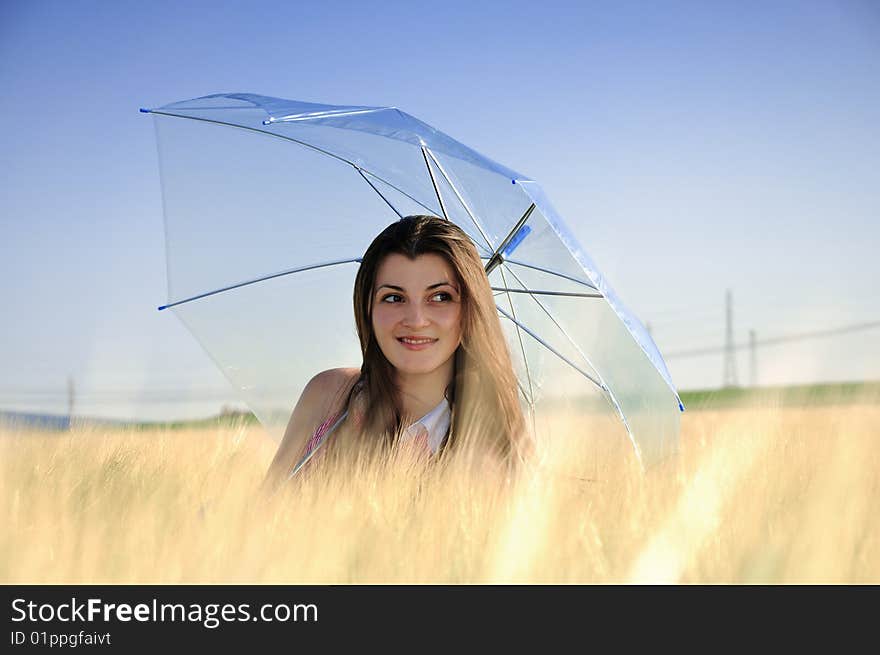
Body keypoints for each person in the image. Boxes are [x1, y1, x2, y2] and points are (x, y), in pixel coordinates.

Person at [264, 215, 529, 488]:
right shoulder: (329, 395)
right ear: (368, 308)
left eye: (440, 297)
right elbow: (261, 512)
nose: (415, 320)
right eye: (393, 297)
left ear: (470, 309)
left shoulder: (493, 451)